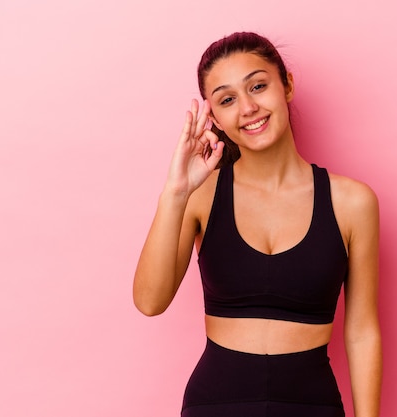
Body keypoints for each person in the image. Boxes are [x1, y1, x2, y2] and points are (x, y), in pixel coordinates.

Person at [133, 32, 381, 417]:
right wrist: (175, 192)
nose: (248, 107)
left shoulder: (352, 202)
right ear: (213, 117)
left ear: (287, 85)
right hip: (215, 404)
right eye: (227, 99)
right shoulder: (202, 194)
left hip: (312, 406)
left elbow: (362, 331)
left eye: (258, 86)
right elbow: (150, 301)